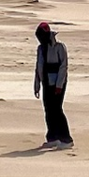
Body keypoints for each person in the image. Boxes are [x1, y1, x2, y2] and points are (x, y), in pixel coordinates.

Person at [32, 21, 73, 149]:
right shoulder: (40, 48)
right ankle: (52, 137)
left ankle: (66, 139)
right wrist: (37, 85)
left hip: (57, 83)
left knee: (57, 110)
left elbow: (63, 67)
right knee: (48, 110)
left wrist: (59, 85)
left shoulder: (59, 47)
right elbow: (38, 67)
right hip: (46, 82)